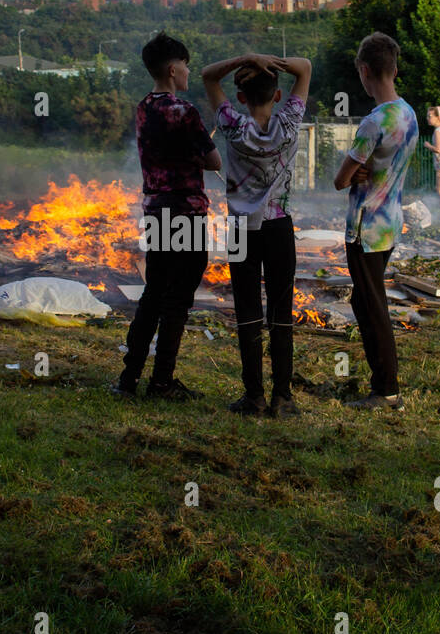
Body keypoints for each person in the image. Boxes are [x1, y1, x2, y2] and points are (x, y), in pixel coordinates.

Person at [113, 32, 221, 399]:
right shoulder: (185, 112)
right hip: (186, 213)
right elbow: (214, 161)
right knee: (178, 299)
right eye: (186, 66)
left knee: (153, 293)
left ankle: (128, 379)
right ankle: (162, 382)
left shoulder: (144, 108)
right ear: (173, 70)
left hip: (156, 211)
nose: (189, 72)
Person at [202, 52, 310, 417]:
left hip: (240, 229)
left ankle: (254, 397)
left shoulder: (233, 125)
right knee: (281, 312)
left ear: (242, 98)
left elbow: (208, 76)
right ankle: (283, 398)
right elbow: (305, 67)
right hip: (279, 225)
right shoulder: (290, 123)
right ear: (277, 95)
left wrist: (246, 59)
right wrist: (271, 62)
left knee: (247, 311)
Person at [333, 31, 418, 410]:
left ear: (365, 71)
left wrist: (355, 173)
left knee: (373, 305)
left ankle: (386, 389)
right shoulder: (408, 114)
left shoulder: (374, 121)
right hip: (389, 223)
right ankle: (381, 381)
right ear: (395, 69)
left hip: (365, 227)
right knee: (364, 300)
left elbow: (340, 179)